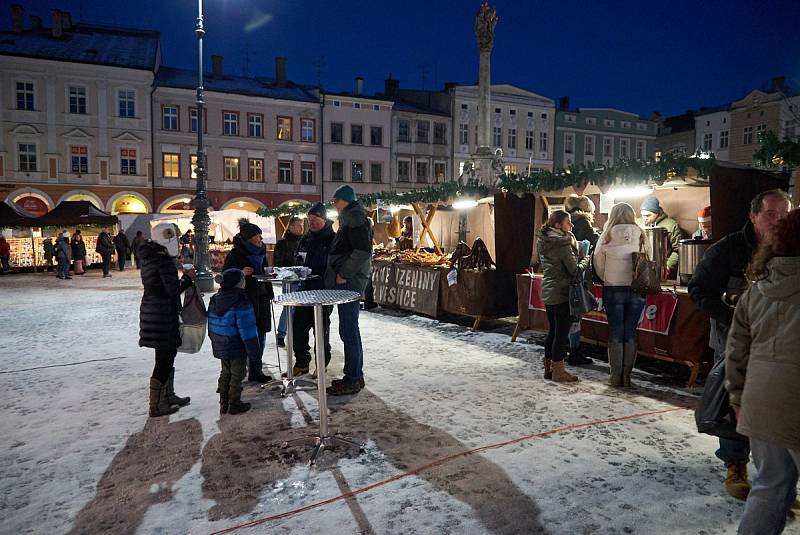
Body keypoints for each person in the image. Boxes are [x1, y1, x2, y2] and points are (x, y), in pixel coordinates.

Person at [689, 188, 792, 501]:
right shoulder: (729, 249)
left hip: (780, 346)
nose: (778, 221)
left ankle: (776, 477)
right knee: (736, 408)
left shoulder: (793, 248)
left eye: (785, 214)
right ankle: (735, 465)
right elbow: (700, 289)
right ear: (753, 216)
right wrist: (734, 318)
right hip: (735, 344)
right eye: (771, 214)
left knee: (775, 411)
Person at [726, 209, 800, 534]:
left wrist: (738, 399)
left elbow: (736, 350)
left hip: (760, 403)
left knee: (770, 486)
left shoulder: (756, 287)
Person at [138, 222, 193, 417]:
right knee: (164, 358)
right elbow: (172, 290)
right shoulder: (162, 260)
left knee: (166, 356)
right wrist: (187, 278)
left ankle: (168, 396)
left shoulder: (150, 257)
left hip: (153, 312)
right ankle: (156, 405)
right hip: (161, 315)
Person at [593, 203, 651, 387]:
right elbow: (648, 257)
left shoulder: (607, 234)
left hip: (613, 287)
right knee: (631, 331)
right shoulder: (641, 233)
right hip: (636, 287)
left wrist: (607, 277)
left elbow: (598, 261)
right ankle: (627, 376)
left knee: (616, 330)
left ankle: (615, 376)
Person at [325, 185, 372, 396]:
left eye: (336, 201)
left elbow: (362, 251)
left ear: (344, 200)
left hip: (349, 282)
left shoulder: (354, 218)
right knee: (350, 330)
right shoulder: (352, 216)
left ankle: (353, 378)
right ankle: (355, 376)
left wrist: (343, 273)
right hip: (350, 280)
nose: (334, 205)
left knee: (349, 330)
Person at [535, 209, 589, 383]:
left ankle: (548, 368)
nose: (571, 225)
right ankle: (559, 371)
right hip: (562, 292)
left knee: (553, 331)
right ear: (558, 225)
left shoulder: (543, 241)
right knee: (561, 333)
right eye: (568, 222)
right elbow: (574, 270)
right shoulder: (562, 244)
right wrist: (585, 261)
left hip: (549, 290)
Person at [222, 219, 273, 383]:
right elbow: (225, 279)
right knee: (248, 336)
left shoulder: (261, 252)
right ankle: (242, 370)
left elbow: (265, 272)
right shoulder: (235, 254)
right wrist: (241, 272)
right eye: (258, 236)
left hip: (262, 297)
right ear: (249, 238)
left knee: (261, 333)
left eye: (260, 236)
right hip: (244, 301)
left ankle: (256, 369)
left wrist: (270, 282)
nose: (260, 240)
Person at [208, 268, 262, 415]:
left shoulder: (215, 299)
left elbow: (211, 324)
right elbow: (248, 331)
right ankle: (234, 403)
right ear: (239, 283)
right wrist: (254, 353)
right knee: (237, 374)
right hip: (236, 344)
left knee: (225, 372)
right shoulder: (241, 302)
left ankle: (223, 402)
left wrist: (215, 340)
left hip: (221, 343)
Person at [291, 203, 335, 376]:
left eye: (315, 219)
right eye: (309, 220)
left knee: (321, 329)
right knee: (298, 327)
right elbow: (297, 257)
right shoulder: (306, 238)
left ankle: (321, 364)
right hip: (304, 289)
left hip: (323, 290)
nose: (312, 223)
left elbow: (336, 262)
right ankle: (302, 363)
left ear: (323, 219)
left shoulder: (332, 238)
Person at [564, 194, 600, 366]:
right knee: (576, 316)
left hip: (565, 277)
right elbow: (593, 245)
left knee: (569, 316)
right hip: (578, 276)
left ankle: (567, 350)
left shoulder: (566, 222)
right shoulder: (583, 224)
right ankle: (574, 351)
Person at [273, 216, 304, 347]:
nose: (301, 227)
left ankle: (298, 335)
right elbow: (278, 263)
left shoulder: (305, 241)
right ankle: (281, 334)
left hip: (304, 278)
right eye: (298, 225)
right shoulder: (283, 243)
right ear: (290, 227)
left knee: (302, 309)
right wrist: (292, 265)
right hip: (290, 279)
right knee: (289, 307)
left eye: (302, 224)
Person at [640, 196, 684, 280]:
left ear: (657, 213)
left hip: (663, 271)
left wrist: (668, 266)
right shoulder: (639, 223)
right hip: (643, 271)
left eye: (648, 215)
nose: (645, 218)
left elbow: (678, 250)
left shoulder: (671, 225)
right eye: (643, 215)